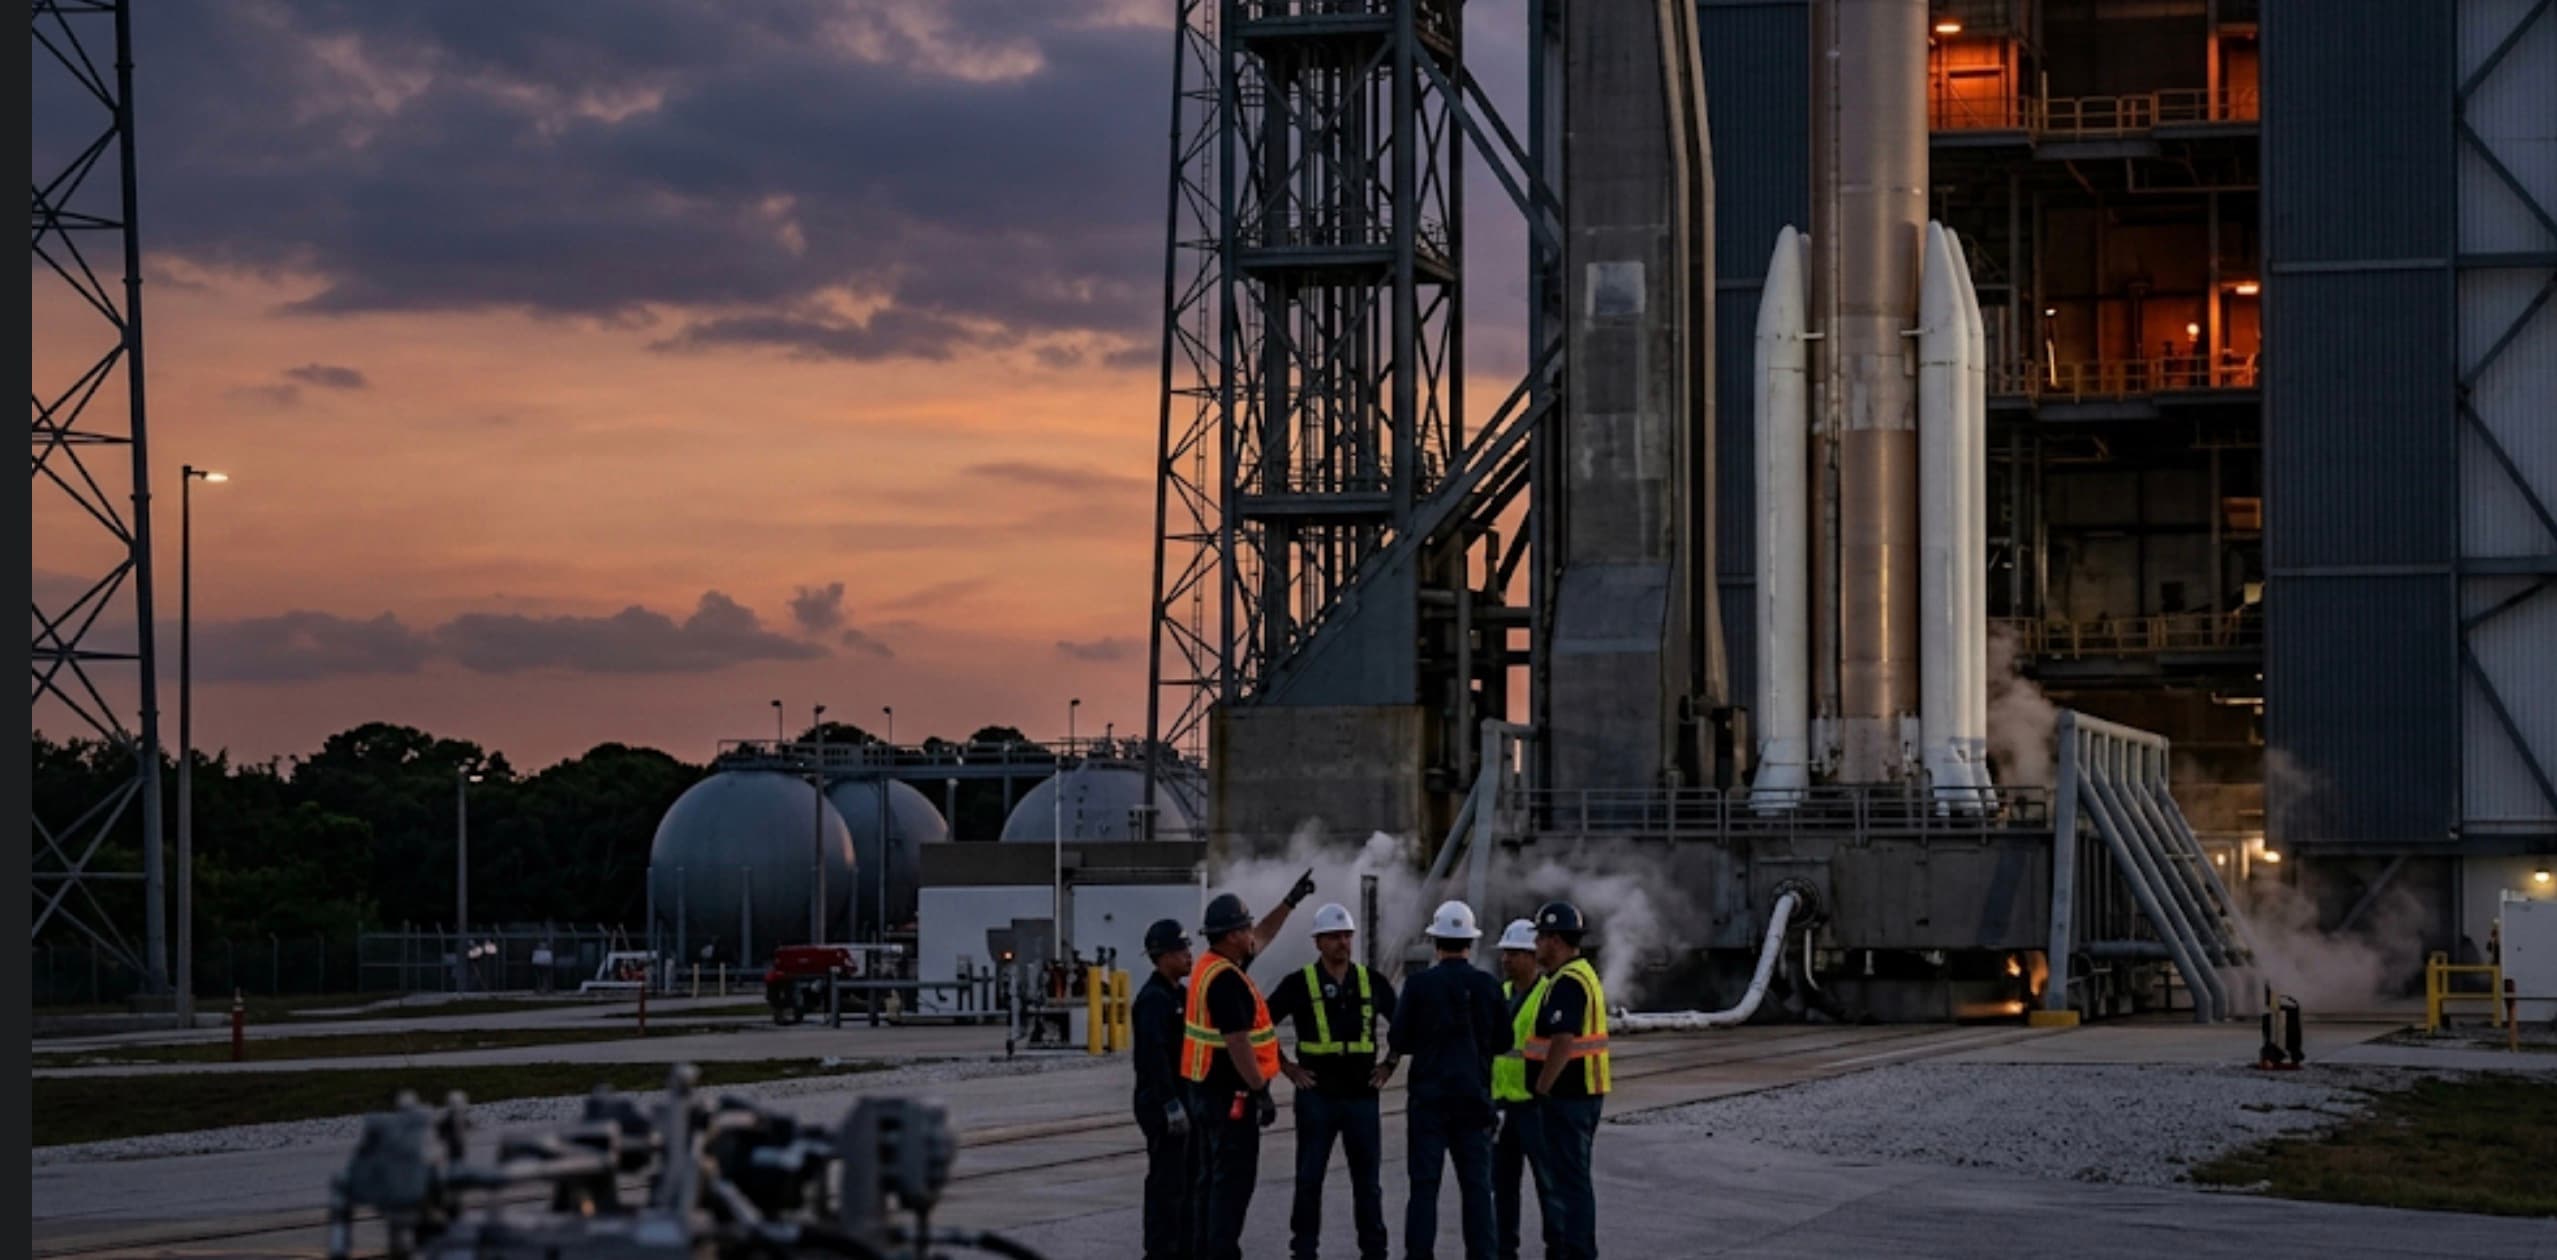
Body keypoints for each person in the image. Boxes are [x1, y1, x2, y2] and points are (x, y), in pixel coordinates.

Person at [1183, 870, 1319, 1260]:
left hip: (1204, 1091)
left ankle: (1206, 1249)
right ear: (1230, 936)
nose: (1250, 934)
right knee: (1232, 1184)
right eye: (1243, 929)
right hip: (1230, 1098)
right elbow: (1238, 1042)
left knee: (1208, 1181)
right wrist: (1261, 1090)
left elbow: (1265, 933)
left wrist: (1291, 900)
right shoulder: (1227, 981)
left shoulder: (1211, 965)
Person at [1266, 903, 1399, 1260]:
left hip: (1361, 1096)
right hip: (1317, 1098)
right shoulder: (1298, 983)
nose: (1343, 942)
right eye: (1335, 937)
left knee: (1368, 1185)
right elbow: (1260, 1024)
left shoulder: (1372, 981)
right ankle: (1304, 1251)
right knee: (1309, 1181)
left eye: (1347, 936)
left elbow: (1403, 1026)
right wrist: (1286, 1067)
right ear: (1318, 942)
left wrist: (1389, 1064)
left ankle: (1374, 1251)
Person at [1389, 900, 1509, 1260]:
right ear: (1469, 943)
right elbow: (1504, 1041)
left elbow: (1398, 1040)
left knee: (1424, 1188)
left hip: (1428, 1102)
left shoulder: (1418, 985)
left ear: (1435, 941)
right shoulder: (1488, 986)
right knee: (1477, 1189)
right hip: (1473, 1102)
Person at [1525, 901, 1610, 1260]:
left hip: (1569, 1098)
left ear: (1555, 940)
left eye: (1540, 937)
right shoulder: (1579, 975)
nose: (1536, 946)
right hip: (1583, 1095)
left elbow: (1563, 1039)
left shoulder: (1567, 983)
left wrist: (1542, 1086)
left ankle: (1577, 1252)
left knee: (1571, 1184)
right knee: (1572, 1181)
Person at [1489, 919, 1554, 1260]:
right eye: (1505, 953)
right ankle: (1505, 1251)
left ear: (1532, 956)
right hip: (1503, 1107)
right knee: (1503, 1188)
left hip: (1535, 1107)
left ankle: (1556, 1249)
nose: (1506, 960)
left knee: (1549, 1185)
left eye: (1513, 953)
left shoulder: (1547, 996)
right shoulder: (1499, 996)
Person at [1134, 918, 1197, 1260]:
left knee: (1187, 1182)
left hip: (1184, 1099)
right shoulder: (1153, 999)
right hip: (1162, 1104)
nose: (1189, 955)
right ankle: (1160, 1251)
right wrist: (1171, 1103)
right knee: (1166, 1184)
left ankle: (1184, 1248)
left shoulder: (1182, 995)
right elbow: (1152, 1056)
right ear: (1163, 956)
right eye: (1182, 949)